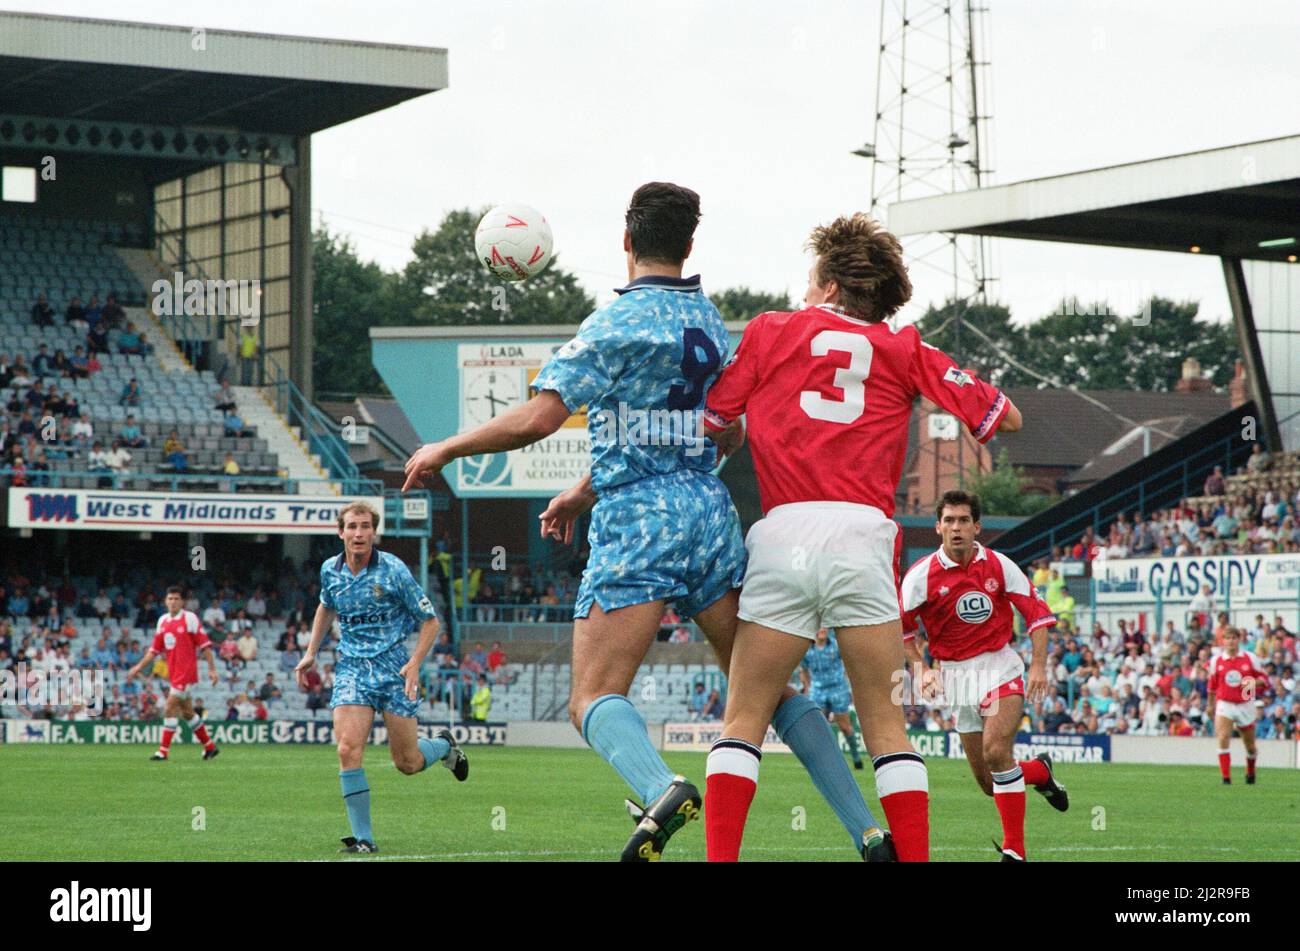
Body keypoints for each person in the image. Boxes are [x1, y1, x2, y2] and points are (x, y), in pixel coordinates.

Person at [404, 184, 887, 863]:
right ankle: (867, 828)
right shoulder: (711, 324)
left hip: (639, 521)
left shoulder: (613, 324)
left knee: (593, 695)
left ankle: (661, 788)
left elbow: (541, 418)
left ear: (626, 242)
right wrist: (582, 489)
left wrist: (446, 446)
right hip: (710, 515)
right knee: (769, 688)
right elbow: (729, 435)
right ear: (689, 246)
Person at [696, 213, 1023, 863]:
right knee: (885, 722)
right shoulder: (905, 349)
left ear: (827, 285)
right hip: (862, 537)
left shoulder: (771, 329)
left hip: (784, 531)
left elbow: (712, 419)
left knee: (744, 718)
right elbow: (1005, 417)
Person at [900, 491, 1068, 861]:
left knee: (996, 751)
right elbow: (903, 630)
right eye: (949, 521)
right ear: (937, 527)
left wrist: (1038, 665)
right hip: (956, 679)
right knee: (991, 784)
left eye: (963, 520)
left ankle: (1014, 850)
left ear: (977, 527)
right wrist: (922, 669)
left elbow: (1037, 614)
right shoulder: (920, 577)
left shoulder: (1000, 565)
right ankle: (1039, 771)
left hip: (1000, 667)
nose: (956, 528)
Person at [294, 501, 468, 855]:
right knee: (347, 748)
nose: (359, 533)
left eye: (365, 527)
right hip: (353, 669)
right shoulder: (331, 570)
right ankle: (364, 839)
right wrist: (312, 651)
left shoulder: (393, 570)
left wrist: (416, 662)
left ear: (374, 532)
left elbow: (430, 621)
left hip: (395, 671)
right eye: (352, 527)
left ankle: (444, 747)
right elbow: (326, 606)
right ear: (340, 532)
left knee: (407, 763)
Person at [124, 586, 220, 761]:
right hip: (174, 673)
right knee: (187, 713)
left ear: (182, 602)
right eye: (170, 599)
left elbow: (205, 645)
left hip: (186, 673)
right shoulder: (162, 621)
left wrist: (212, 669)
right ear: (165, 601)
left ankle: (163, 751)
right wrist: (138, 667)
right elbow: (154, 650)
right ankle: (210, 746)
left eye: (177, 599)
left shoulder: (189, 618)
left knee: (169, 707)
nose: (173, 602)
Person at [1209, 627, 1270, 785]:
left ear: (1238, 640)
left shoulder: (1249, 658)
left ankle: (1250, 772)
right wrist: (1210, 706)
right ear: (1223, 641)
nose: (1230, 641)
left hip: (1245, 701)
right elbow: (1211, 686)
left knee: (1250, 746)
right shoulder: (1217, 660)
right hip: (1225, 702)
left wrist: (1253, 683)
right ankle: (1226, 778)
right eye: (1227, 638)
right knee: (1223, 737)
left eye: (1234, 638)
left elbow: (1263, 678)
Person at [799, 628, 864, 770]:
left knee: (845, 727)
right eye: (819, 627)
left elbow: (848, 663)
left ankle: (856, 757)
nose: (822, 630)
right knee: (818, 726)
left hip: (838, 688)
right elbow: (803, 670)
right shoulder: (807, 649)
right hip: (818, 690)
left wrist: (848, 681)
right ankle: (821, 760)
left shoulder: (836, 645)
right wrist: (808, 687)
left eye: (825, 627)